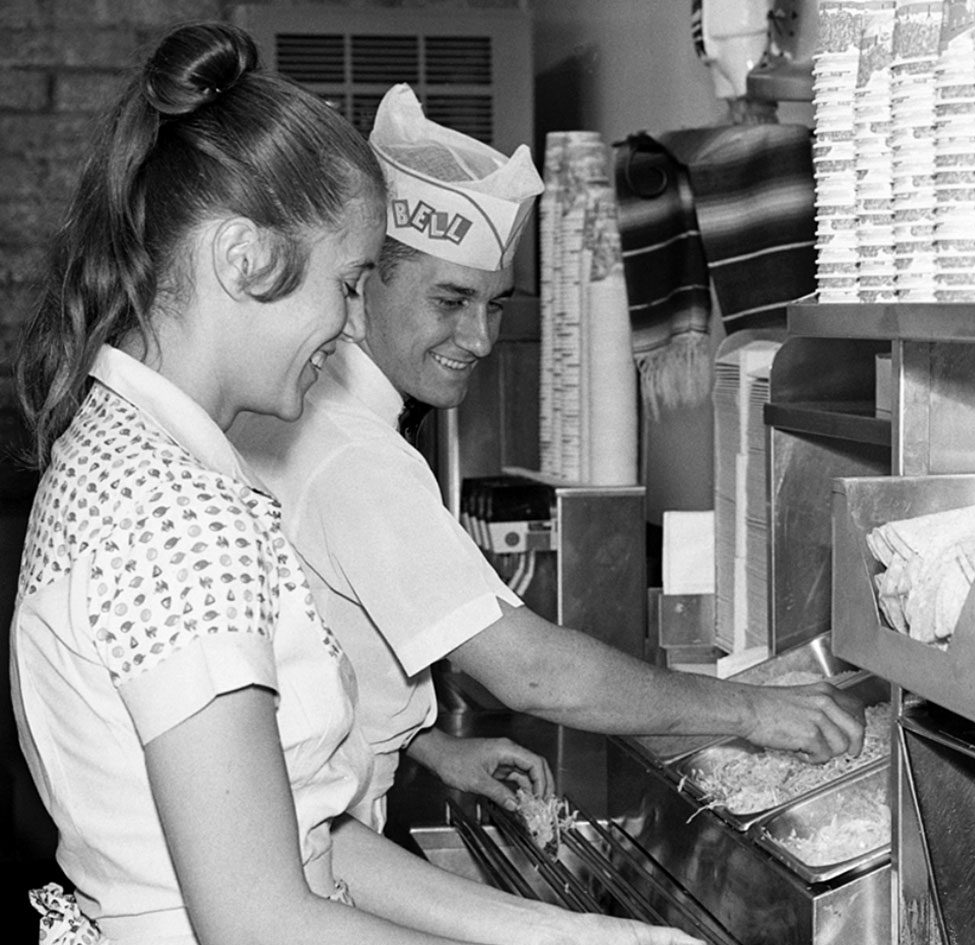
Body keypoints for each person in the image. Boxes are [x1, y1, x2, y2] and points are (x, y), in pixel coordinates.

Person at [12, 24, 730, 945]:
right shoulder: (171, 513)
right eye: (347, 285)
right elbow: (265, 936)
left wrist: (583, 942)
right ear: (245, 256)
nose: (350, 329)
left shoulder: (146, 463)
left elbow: (313, 841)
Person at [232, 84, 866, 830]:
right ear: (363, 286)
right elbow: (531, 672)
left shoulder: (329, 419)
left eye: (495, 304)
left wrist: (425, 746)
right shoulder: (352, 452)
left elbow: (320, 649)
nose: (479, 339)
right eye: (451, 301)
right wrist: (758, 710)